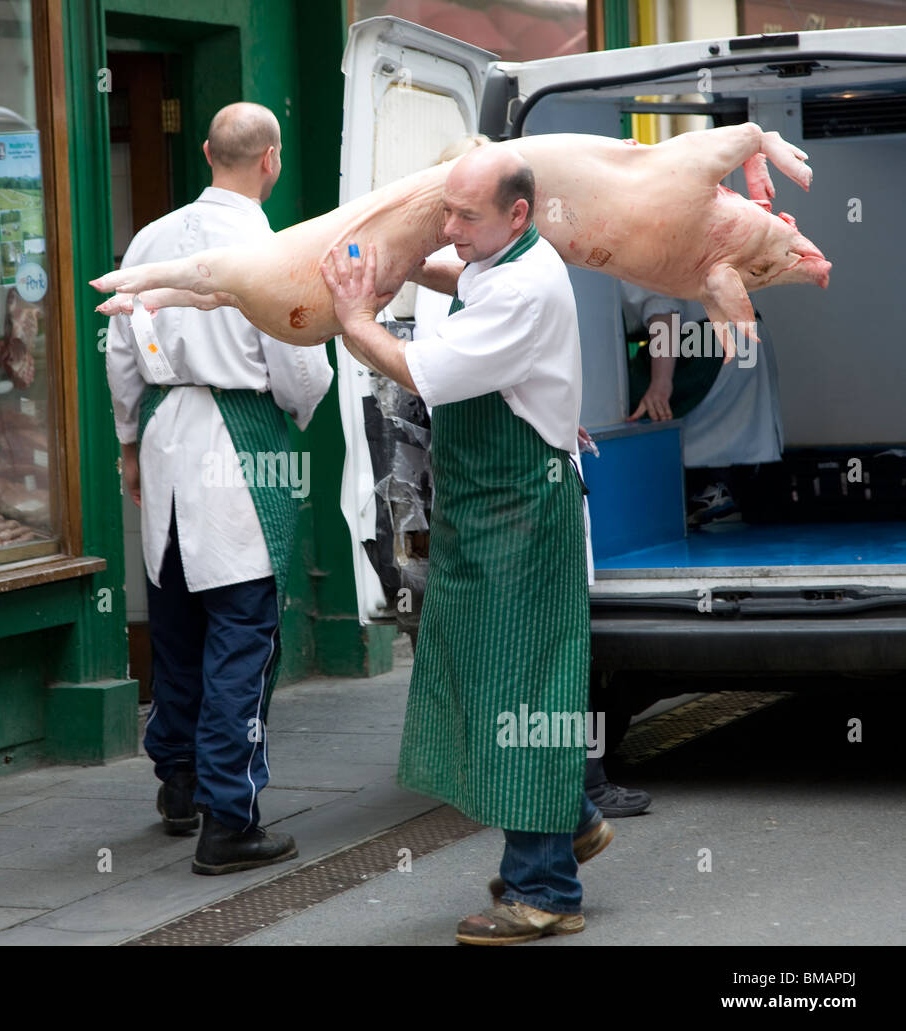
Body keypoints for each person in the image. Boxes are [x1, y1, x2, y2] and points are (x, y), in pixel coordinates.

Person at [320, 143, 613, 944]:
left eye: (465, 217)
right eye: (447, 212)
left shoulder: (523, 285)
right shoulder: (511, 258)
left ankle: (543, 890)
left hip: (522, 517)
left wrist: (353, 319)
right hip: (488, 516)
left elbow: (417, 370)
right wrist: (416, 266)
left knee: (522, 692)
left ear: (518, 214)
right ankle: (574, 817)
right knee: (478, 674)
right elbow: (470, 280)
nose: (449, 229)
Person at [105, 102, 333, 875]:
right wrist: (298, 413)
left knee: (176, 620)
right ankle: (229, 820)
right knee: (243, 631)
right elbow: (300, 365)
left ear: (208, 153)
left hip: (168, 435)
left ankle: (178, 783)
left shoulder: (150, 238)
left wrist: (130, 442)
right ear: (270, 160)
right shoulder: (272, 249)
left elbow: (121, 347)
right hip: (239, 444)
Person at [623, 282, 784, 525]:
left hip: (709, 344)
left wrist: (660, 382)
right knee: (727, 442)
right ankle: (719, 490)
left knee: (631, 397)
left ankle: (707, 490)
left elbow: (663, 308)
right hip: (743, 336)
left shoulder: (633, 244)